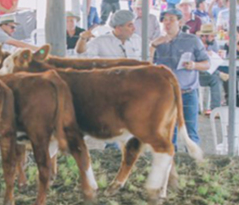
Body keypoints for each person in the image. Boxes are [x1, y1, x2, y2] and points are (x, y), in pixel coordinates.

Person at [151, 9, 208, 146]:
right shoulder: (157, 42)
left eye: (171, 19)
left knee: (191, 131)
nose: (167, 22)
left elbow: (206, 63)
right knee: (168, 132)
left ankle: (195, 163)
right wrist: (153, 45)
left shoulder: (192, 40)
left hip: (188, 92)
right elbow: (147, 65)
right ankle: (171, 163)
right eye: (165, 19)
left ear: (180, 22)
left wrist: (194, 65)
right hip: (166, 94)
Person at [77, 9, 142, 60]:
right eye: (130, 25)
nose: (134, 28)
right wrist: (82, 39)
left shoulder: (137, 39)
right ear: (119, 28)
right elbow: (82, 55)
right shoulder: (101, 41)